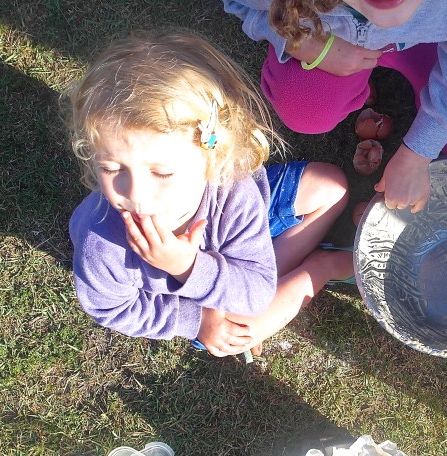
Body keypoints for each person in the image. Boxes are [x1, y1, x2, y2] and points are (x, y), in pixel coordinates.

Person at [66, 31, 352, 357]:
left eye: (161, 172)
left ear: (214, 158)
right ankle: (322, 268)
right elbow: (113, 308)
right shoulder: (101, 241)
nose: (136, 193)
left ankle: (253, 272)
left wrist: (194, 267)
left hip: (234, 228)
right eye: (112, 168)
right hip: (202, 303)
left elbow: (257, 292)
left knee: (331, 187)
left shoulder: (235, 191)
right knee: (237, 330)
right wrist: (195, 314)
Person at [222, 0, 447, 212]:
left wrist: (417, 154)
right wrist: (308, 45)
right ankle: (353, 83)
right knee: (307, 107)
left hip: (432, 39)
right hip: (329, 37)